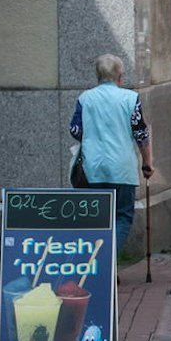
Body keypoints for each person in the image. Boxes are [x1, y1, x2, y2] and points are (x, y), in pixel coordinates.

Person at [70, 54, 155, 247]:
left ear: (97, 76)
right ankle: (109, 261)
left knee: (96, 220)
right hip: (121, 169)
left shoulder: (85, 99)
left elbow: (75, 130)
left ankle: (100, 265)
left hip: (92, 169)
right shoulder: (130, 99)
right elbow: (141, 133)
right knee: (123, 216)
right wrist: (147, 163)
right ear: (120, 77)